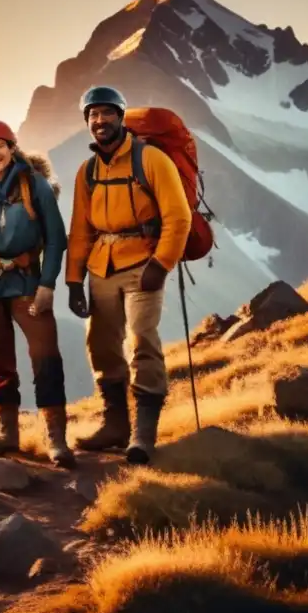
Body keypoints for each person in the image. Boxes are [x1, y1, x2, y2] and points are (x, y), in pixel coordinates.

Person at [66, 86, 191, 464]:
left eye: (106, 113)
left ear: (121, 117)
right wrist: (73, 280)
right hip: (100, 267)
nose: (99, 121)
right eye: (92, 115)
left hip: (143, 264)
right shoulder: (87, 171)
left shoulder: (150, 159)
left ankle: (143, 435)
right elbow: (80, 230)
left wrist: (161, 264)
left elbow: (178, 217)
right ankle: (115, 427)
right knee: (101, 345)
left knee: (142, 341)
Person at [0, 120, 75, 468]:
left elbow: (56, 239)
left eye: (0, 146)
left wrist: (47, 285)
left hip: (26, 283)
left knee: (46, 356)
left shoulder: (34, 185)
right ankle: (8, 433)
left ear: (12, 148)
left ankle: (55, 438)